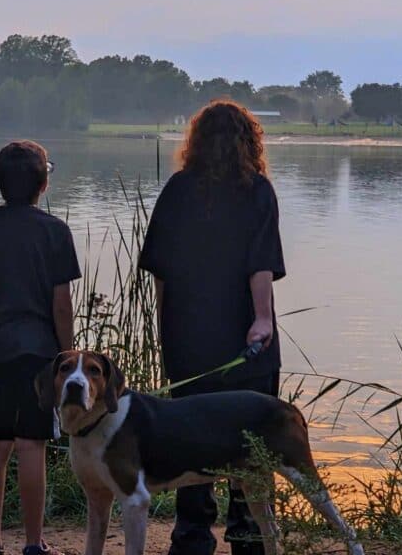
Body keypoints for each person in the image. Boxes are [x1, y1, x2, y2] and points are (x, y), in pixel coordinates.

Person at [139, 100, 286, 555]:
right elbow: (259, 263)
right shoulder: (257, 190)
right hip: (245, 335)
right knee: (251, 437)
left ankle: (192, 537)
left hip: (189, 334)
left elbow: (158, 268)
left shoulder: (178, 189)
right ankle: (248, 533)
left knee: (190, 436)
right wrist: (262, 320)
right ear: (250, 141)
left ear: (196, 142)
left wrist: (166, 327)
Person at [0, 140, 80, 555]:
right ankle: (33, 543)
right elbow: (60, 304)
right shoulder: (55, 231)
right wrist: (68, 356)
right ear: (43, 184)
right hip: (39, 352)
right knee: (32, 444)